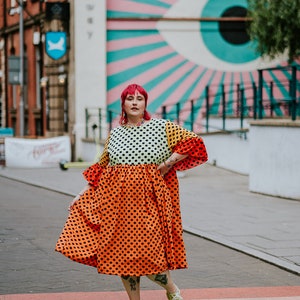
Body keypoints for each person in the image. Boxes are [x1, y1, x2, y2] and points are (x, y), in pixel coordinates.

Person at [55, 83, 208, 300]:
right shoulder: (115, 134)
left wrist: (167, 163)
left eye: (139, 98)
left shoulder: (162, 127)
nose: (135, 102)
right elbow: (102, 167)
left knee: (151, 256)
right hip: (118, 206)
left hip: (150, 204)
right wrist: (83, 193)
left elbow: (193, 142)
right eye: (130, 99)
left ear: (145, 103)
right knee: (123, 258)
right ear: (123, 104)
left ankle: (172, 290)